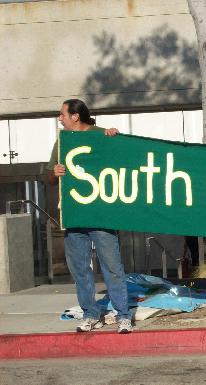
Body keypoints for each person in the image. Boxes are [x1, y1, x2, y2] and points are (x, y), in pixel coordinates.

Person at [47, 99, 133, 334]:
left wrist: (116, 137)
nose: (59, 118)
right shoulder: (62, 142)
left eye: (62, 114)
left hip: (102, 215)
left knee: (112, 267)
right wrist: (54, 173)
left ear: (75, 116)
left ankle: (123, 315)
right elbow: (49, 177)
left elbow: (124, 159)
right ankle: (90, 314)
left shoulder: (102, 135)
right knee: (80, 269)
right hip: (75, 216)